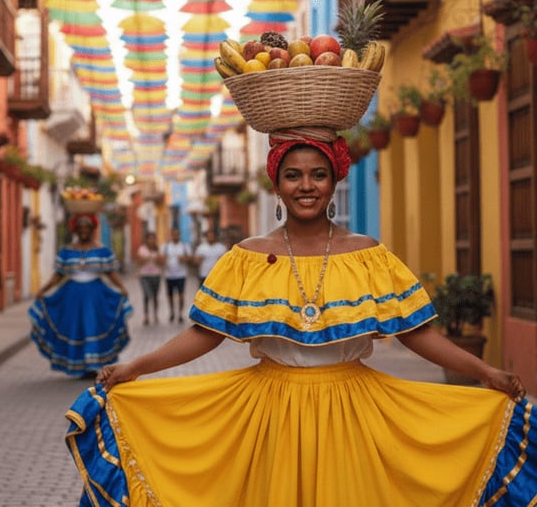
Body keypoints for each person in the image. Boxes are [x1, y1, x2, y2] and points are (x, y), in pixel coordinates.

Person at [64, 129, 535, 506]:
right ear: (276, 183)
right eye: (293, 175)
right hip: (268, 413)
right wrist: (134, 368)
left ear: (335, 181)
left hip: (355, 410)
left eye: (318, 175)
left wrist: (484, 372)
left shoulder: (367, 255)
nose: (306, 186)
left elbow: (416, 333)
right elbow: (205, 336)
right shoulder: (246, 257)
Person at [29, 213, 132, 379]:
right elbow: (58, 275)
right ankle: (79, 365)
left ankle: (92, 365)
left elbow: (110, 272)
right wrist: (44, 289)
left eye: (87, 228)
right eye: (80, 228)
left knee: (94, 326)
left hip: (96, 296)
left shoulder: (102, 251)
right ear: (75, 230)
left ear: (92, 230)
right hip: (71, 296)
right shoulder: (67, 251)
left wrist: (121, 287)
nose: (84, 231)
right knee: (74, 328)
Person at [161, 227, 191, 323]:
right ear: (171, 235)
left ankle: (180, 313)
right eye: (173, 234)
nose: (175, 236)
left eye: (177, 234)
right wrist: (163, 261)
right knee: (170, 296)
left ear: (179, 235)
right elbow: (160, 260)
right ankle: (172, 312)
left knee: (181, 295)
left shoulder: (184, 246)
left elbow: (191, 259)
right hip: (169, 275)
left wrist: (185, 259)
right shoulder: (165, 247)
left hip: (181, 274)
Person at [135, 232, 164, 326]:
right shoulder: (142, 249)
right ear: (146, 240)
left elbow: (162, 262)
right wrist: (147, 259)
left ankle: (155, 314)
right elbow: (138, 261)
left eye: (153, 238)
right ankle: (146, 316)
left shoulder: (158, 249)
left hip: (156, 275)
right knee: (147, 295)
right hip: (144, 275)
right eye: (149, 238)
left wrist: (157, 260)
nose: (151, 240)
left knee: (155, 296)